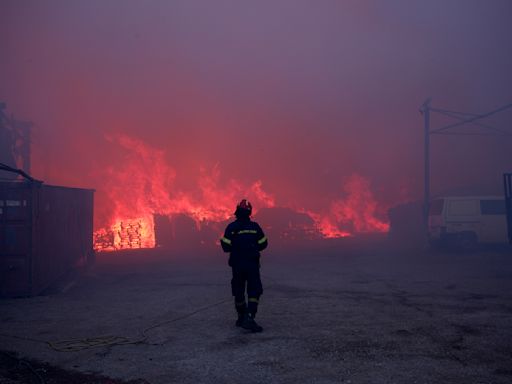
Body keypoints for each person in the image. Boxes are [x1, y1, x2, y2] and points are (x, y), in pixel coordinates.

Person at [220, 199, 268, 333]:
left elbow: (225, 246)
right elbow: (264, 243)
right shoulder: (255, 227)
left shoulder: (232, 227)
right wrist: (252, 247)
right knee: (254, 291)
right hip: (252, 264)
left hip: (237, 265)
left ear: (237, 211)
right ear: (249, 212)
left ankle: (241, 317)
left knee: (238, 291)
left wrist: (237, 247)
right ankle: (249, 317)